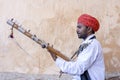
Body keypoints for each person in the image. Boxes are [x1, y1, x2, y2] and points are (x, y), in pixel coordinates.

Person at [49, 14, 105, 80]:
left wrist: (56, 59)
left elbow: (78, 68)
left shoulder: (92, 45)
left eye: (79, 27)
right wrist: (67, 70)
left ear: (89, 29)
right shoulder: (87, 44)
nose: (77, 30)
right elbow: (80, 68)